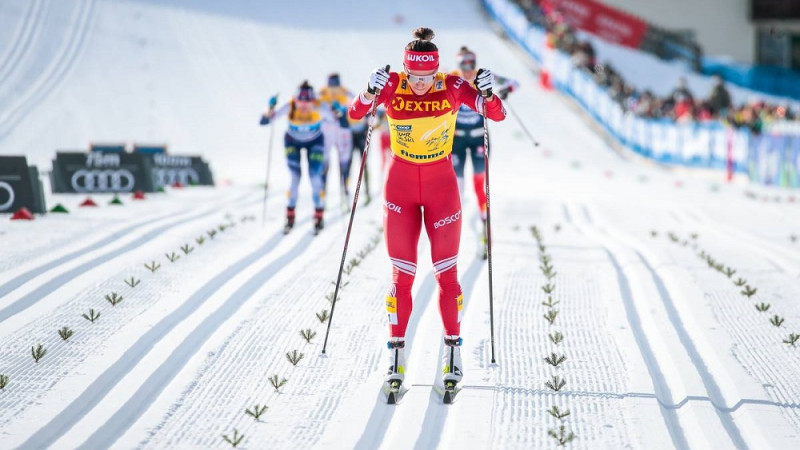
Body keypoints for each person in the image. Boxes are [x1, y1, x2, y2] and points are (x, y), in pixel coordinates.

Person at [349, 27, 506, 391]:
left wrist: (487, 92)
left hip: (441, 188)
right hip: (400, 187)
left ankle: (453, 350)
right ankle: (395, 355)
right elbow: (356, 113)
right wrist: (369, 90)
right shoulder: (391, 84)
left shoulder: (451, 85)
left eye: (427, 77)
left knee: (446, 274)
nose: (420, 84)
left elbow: (494, 115)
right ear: (406, 70)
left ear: (436, 71)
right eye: (414, 77)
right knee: (401, 275)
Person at [450, 46, 518, 258]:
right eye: (464, 66)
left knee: (480, 185)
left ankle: (485, 232)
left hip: (480, 137)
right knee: (456, 188)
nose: (468, 70)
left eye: (471, 65)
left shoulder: (483, 77)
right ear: (458, 65)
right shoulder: (452, 78)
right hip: (457, 139)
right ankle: (451, 234)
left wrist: (505, 91)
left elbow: (513, 83)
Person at [260, 80, 331, 235]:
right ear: (296, 100)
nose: (304, 106)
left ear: (313, 100)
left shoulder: (319, 106)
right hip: (292, 141)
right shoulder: (290, 105)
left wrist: (339, 112)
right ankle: (289, 216)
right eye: (300, 102)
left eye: (308, 103)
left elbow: (341, 120)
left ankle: (319, 216)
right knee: (294, 177)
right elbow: (265, 120)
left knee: (314, 176)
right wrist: (269, 108)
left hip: (315, 141)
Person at [319, 73, 354, 207]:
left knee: (344, 162)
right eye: (331, 85)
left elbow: (355, 104)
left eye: (335, 85)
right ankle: (323, 193)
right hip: (327, 129)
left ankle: (345, 192)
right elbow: (315, 106)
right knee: (325, 160)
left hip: (342, 130)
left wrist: (344, 113)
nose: (333, 89)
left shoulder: (345, 91)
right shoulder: (322, 92)